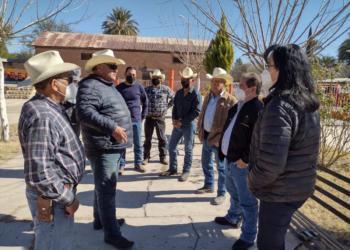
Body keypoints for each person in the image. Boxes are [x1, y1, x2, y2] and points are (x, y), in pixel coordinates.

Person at [248, 44, 320, 250]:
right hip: (297, 186)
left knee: (267, 245)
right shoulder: (307, 102)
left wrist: (251, 180)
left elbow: (271, 164)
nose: (266, 71)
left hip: (280, 191)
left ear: (284, 69)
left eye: (268, 66)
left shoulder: (280, 106)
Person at [18, 51, 85, 250]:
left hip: (55, 194)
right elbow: (40, 174)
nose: (73, 84)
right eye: (69, 79)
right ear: (55, 84)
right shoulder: (43, 115)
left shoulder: (48, 107)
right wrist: (69, 199)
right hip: (55, 198)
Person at [76, 49, 134, 249]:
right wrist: (112, 127)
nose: (116, 69)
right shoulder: (91, 85)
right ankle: (111, 234)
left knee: (102, 188)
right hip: (104, 147)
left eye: (116, 66)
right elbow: (83, 112)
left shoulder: (104, 85)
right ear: (98, 67)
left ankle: (101, 221)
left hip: (111, 145)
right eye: (111, 66)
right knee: (107, 191)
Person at [214, 73, 263, 250]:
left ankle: (248, 236)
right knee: (234, 194)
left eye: (241, 86)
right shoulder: (237, 106)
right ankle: (233, 217)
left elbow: (257, 140)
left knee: (248, 202)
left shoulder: (257, 109)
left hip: (242, 164)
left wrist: (245, 159)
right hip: (228, 159)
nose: (236, 88)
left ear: (253, 89)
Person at [196, 67, 237, 205]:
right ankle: (208, 185)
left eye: (217, 81)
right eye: (213, 81)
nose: (214, 84)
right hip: (207, 136)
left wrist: (223, 140)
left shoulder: (230, 100)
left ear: (224, 83)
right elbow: (202, 115)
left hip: (219, 141)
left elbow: (233, 124)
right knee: (205, 163)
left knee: (221, 168)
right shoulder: (208, 97)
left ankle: (221, 193)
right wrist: (200, 131)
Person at [160, 67, 202, 182]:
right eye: (183, 78)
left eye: (187, 79)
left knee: (188, 149)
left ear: (192, 80)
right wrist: (174, 120)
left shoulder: (196, 94)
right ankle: (173, 169)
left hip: (189, 126)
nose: (184, 80)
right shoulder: (178, 92)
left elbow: (196, 112)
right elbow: (174, 106)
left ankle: (186, 171)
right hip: (177, 125)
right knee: (172, 146)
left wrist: (181, 121)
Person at [116, 66, 148, 174]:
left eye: (134, 75)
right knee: (122, 144)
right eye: (129, 74)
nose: (132, 76)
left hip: (136, 121)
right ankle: (121, 166)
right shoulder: (119, 88)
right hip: (123, 121)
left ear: (136, 76)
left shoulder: (139, 87)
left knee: (138, 144)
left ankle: (138, 164)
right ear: (124, 74)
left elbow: (146, 103)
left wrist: (143, 116)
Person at [143, 69, 174, 166]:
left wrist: (167, 107)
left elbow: (174, 98)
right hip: (149, 118)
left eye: (157, 78)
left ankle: (163, 156)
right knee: (148, 138)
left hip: (160, 119)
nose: (155, 79)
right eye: (154, 78)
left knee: (162, 138)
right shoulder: (146, 89)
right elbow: (142, 100)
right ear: (151, 79)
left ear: (161, 80)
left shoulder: (166, 89)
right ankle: (146, 157)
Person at [63, 69, 81, 137]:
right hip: (67, 111)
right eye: (73, 80)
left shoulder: (80, 86)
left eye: (76, 81)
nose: (74, 82)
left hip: (75, 114)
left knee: (76, 136)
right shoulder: (64, 86)